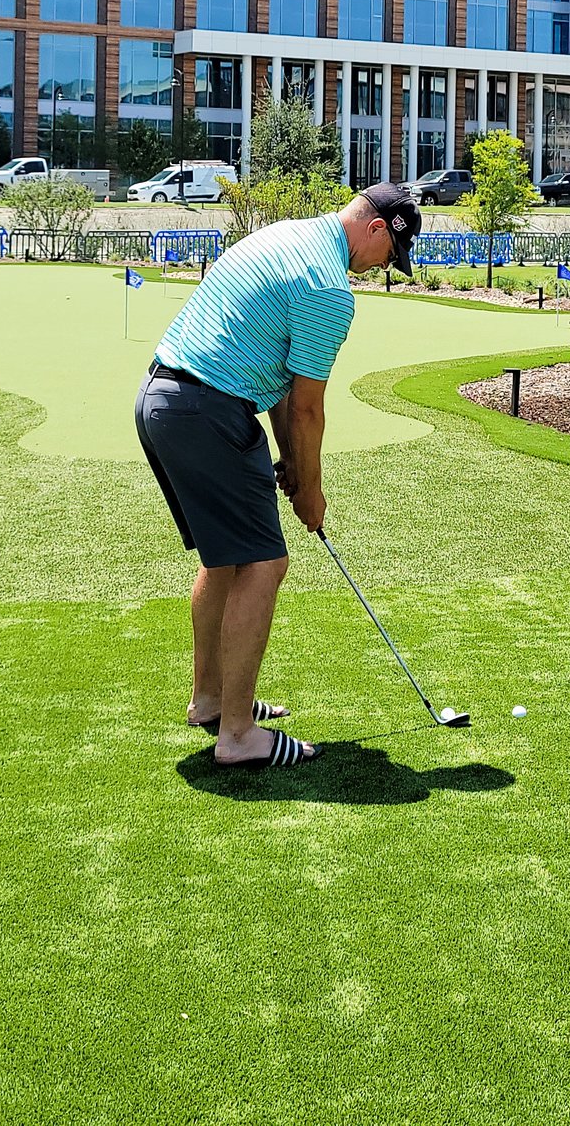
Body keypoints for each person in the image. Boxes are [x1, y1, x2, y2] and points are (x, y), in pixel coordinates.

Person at [134, 184, 421, 768]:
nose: (381, 268)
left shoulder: (285, 234)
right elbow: (309, 406)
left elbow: (285, 394)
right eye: (389, 256)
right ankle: (237, 735)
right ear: (378, 229)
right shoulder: (328, 287)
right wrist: (311, 492)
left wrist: (293, 466)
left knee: (226, 560)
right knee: (265, 562)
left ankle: (211, 701)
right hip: (209, 411)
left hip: (163, 398)